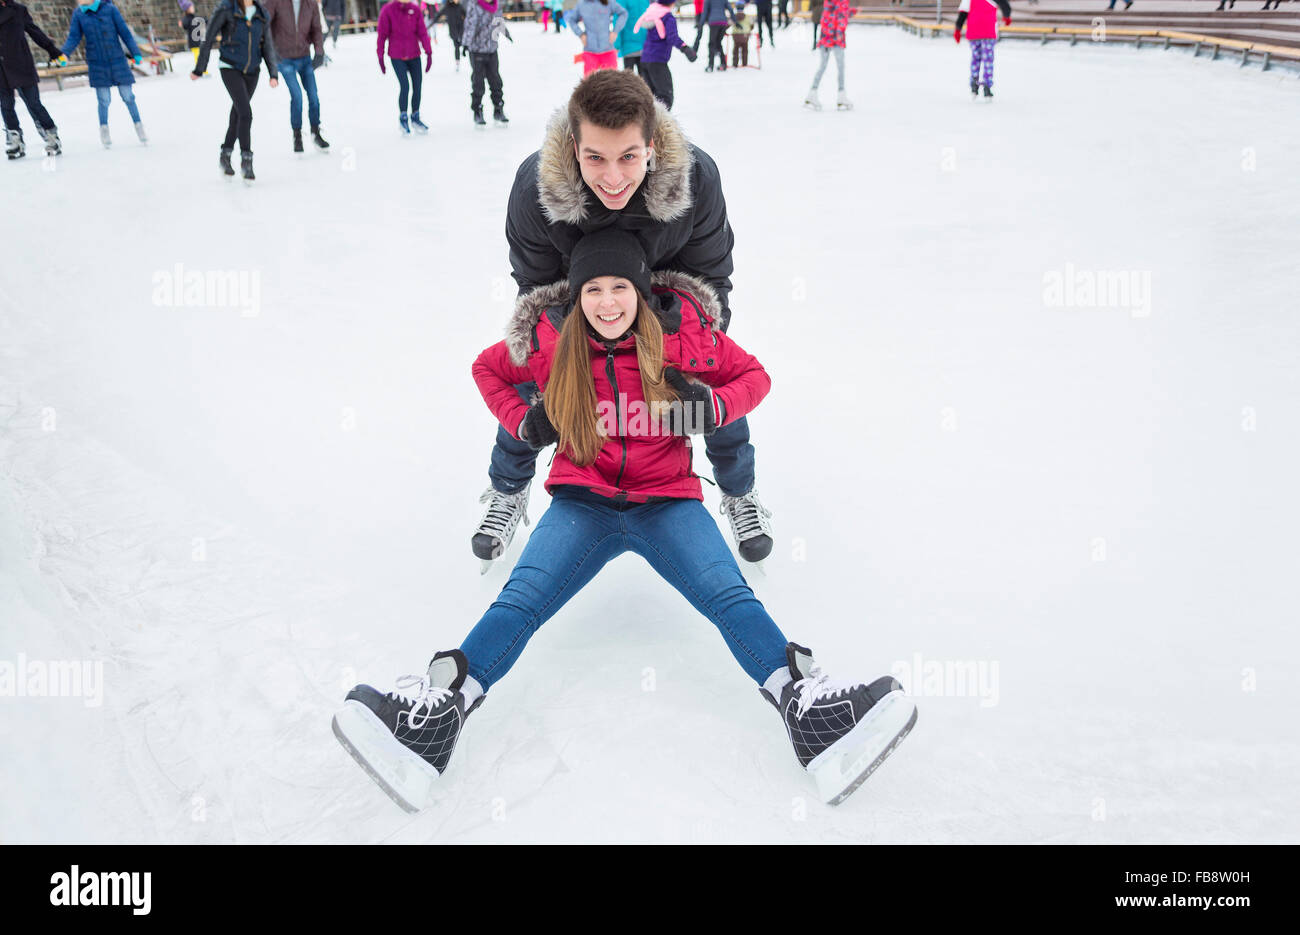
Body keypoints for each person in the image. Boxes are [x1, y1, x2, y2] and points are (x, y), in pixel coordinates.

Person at [332, 228, 918, 812]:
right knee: (521, 598)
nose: (606, 302)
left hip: (667, 500)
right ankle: (435, 717)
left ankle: (809, 712)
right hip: (581, 501)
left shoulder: (683, 340)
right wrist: (524, 421)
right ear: (576, 297)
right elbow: (486, 370)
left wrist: (712, 406)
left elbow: (755, 376)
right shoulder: (549, 342)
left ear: (640, 292)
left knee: (728, 595)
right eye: (592, 290)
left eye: (619, 287)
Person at [476, 70, 773, 566]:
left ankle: (739, 489)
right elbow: (535, 289)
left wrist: (690, 343)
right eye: (595, 157)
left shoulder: (696, 178)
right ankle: (508, 486)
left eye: (629, 157)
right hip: (585, 297)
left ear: (652, 145)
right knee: (539, 369)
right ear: (574, 147)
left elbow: (713, 272)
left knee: (701, 380)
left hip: (667, 298)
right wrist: (572, 351)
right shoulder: (535, 188)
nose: (613, 177)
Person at [192, 0, 279, 182]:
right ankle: (246, 160)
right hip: (230, 67)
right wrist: (200, 68)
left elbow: (267, 44)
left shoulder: (261, 14)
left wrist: (273, 73)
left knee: (238, 114)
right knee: (245, 113)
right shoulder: (226, 9)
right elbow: (208, 38)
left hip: (252, 71)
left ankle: (225, 154)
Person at [59, 0, 147, 148]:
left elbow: (124, 32)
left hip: (117, 59)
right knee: (104, 100)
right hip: (97, 62)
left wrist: (135, 53)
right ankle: (104, 129)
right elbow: (74, 37)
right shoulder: (79, 14)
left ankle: (139, 126)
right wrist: (64, 54)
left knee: (128, 97)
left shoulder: (110, 9)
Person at [1, 0, 64, 158]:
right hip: (1, 68)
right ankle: (16, 141)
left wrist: (53, 50)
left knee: (34, 103)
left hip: (21, 63)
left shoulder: (18, 10)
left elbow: (34, 31)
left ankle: (51, 137)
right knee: (6, 105)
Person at [265, 0, 329, 152]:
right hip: (284, 58)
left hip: (304, 57)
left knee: (313, 96)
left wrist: (319, 51)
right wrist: (271, 51)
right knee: (297, 96)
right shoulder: (276, 2)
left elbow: (316, 28)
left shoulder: (310, 4)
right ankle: (297, 135)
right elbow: (264, 23)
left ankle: (315, 132)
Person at [377, 0, 432, 133]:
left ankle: (415, 116)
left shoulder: (415, 9)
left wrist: (428, 52)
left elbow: (422, 32)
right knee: (405, 86)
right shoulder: (388, 10)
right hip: (397, 56)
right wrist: (381, 56)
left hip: (414, 54)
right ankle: (403, 117)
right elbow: (382, 35)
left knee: (417, 86)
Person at [634, 0, 694, 109]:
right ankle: (660, 123)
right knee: (665, 95)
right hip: (657, 60)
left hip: (645, 59)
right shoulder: (667, 17)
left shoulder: (651, 13)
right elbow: (672, 37)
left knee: (650, 95)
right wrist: (685, 49)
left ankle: (649, 122)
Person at [462, 0, 510, 126]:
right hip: (477, 50)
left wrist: (506, 33)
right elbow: (470, 24)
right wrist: (466, 43)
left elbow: (499, 21)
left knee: (496, 80)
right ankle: (477, 110)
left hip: (492, 49)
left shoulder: (497, 5)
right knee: (478, 82)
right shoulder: (474, 5)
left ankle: (498, 108)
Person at [954, 0, 1010, 100]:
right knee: (987, 60)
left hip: (975, 32)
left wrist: (958, 29)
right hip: (987, 31)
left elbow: (963, 14)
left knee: (976, 59)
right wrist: (1007, 15)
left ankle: (975, 84)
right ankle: (986, 85)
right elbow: (1004, 4)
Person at [803, 0, 850, 110]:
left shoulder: (829, 2)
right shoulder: (841, 2)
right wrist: (838, 34)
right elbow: (841, 17)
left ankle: (812, 92)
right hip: (835, 39)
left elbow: (828, 16)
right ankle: (841, 95)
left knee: (823, 67)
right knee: (840, 67)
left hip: (826, 37)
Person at [571, 0, 628, 75]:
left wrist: (615, 31)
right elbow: (572, 20)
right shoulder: (581, 4)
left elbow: (623, 13)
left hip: (608, 50)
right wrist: (581, 34)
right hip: (590, 51)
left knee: (612, 82)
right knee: (589, 84)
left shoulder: (608, 2)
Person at [699, 0, 735, 72]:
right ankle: (723, 64)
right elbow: (730, 9)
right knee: (718, 43)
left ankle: (710, 65)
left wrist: (701, 23)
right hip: (723, 23)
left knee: (712, 44)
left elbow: (705, 12)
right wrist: (735, 20)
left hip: (714, 22)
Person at [614, 0, 648, 73]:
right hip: (645, 46)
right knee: (643, 80)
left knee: (629, 79)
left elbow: (618, 21)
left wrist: (617, 44)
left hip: (629, 46)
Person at [432, 0, 466, 70]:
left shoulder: (460, 6)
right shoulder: (448, 7)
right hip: (453, 31)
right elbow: (439, 15)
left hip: (461, 30)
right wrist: (433, 21)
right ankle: (457, 62)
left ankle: (464, 50)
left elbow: (466, 15)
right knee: (456, 46)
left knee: (462, 44)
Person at [178, 0, 205, 69]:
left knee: (201, 56)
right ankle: (200, 70)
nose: (193, 8)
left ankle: (202, 70)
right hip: (193, 42)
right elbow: (185, 25)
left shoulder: (194, 17)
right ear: (188, 9)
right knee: (198, 56)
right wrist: (182, 24)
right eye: (191, 7)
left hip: (198, 40)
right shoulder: (187, 18)